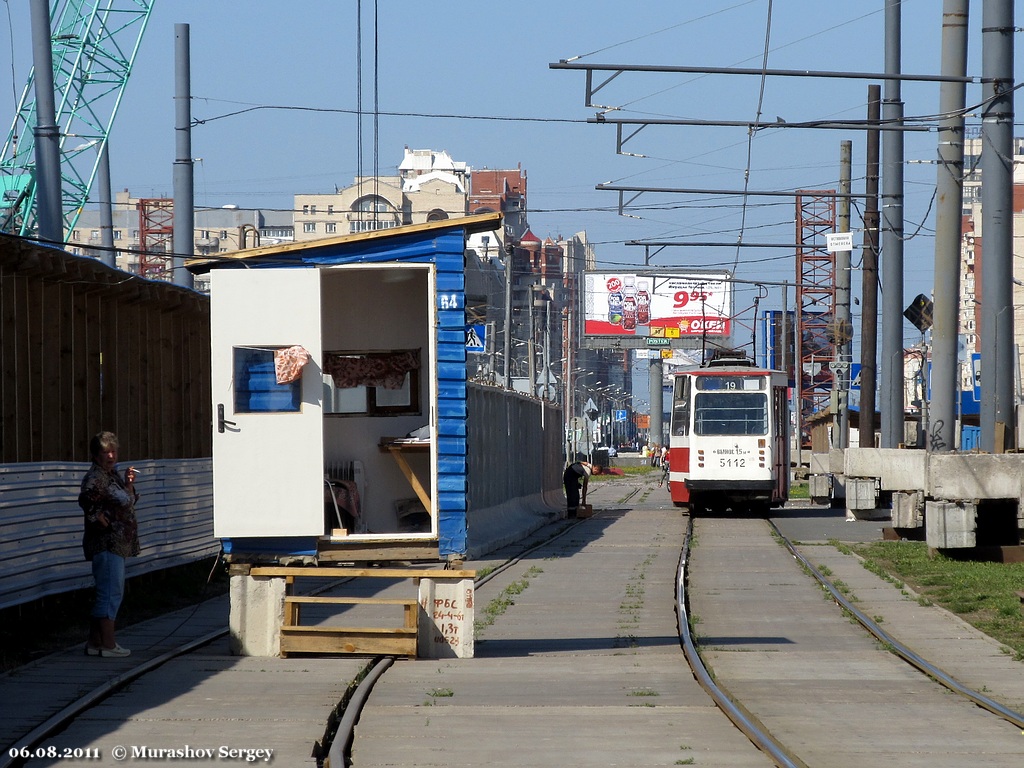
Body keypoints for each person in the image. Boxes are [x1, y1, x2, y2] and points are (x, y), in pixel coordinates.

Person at [79, 431, 141, 657]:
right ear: (96, 455)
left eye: (113, 451)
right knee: (110, 593)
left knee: (110, 591)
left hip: (117, 543)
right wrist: (96, 517)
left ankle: (95, 642)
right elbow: (86, 499)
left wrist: (128, 484)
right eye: (105, 452)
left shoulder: (111, 475)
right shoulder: (96, 477)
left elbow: (128, 502)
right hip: (106, 543)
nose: (111, 455)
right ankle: (108, 644)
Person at [562, 452, 592, 518]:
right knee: (572, 495)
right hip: (569, 477)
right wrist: (584, 500)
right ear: (596, 470)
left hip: (571, 475)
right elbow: (585, 487)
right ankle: (571, 513)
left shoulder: (589, 465)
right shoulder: (588, 471)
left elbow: (580, 462)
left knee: (576, 495)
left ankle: (575, 512)